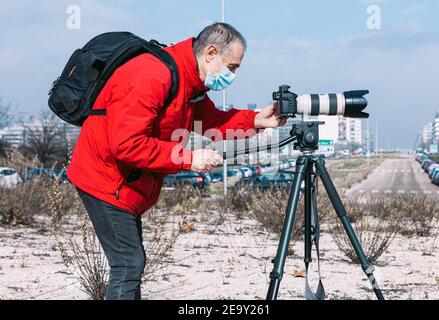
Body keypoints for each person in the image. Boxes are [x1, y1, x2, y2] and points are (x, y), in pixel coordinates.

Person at [67, 22, 286, 300]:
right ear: (210, 53)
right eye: (232, 67)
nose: (232, 75)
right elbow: (127, 144)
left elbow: (211, 121)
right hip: (105, 180)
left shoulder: (188, 83)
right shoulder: (153, 76)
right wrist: (189, 158)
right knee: (128, 262)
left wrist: (255, 120)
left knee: (132, 262)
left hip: (126, 183)